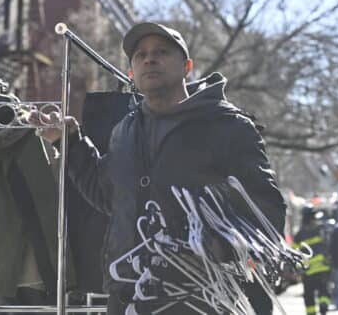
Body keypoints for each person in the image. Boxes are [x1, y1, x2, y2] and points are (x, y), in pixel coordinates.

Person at [36, 22, 286, 315]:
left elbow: (268, 211)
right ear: (131, 73)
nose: (149, 59)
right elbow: (109, 197)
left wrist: (216, 248)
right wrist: (70, 142)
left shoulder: (229, 127)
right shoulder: (124, 131)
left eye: (161, 52)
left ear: (187, 66)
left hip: (205, 301)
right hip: (130, 299)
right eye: (140, 55)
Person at [293, 206, 332, 315]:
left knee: (309, 295)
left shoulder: (299, 235)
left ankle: (311, 313)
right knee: (324, 292)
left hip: (308, 271)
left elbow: (294, 254)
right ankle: (323, 308)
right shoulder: (321, 230)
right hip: (323, 268)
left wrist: (296, 270)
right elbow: (330, 246)